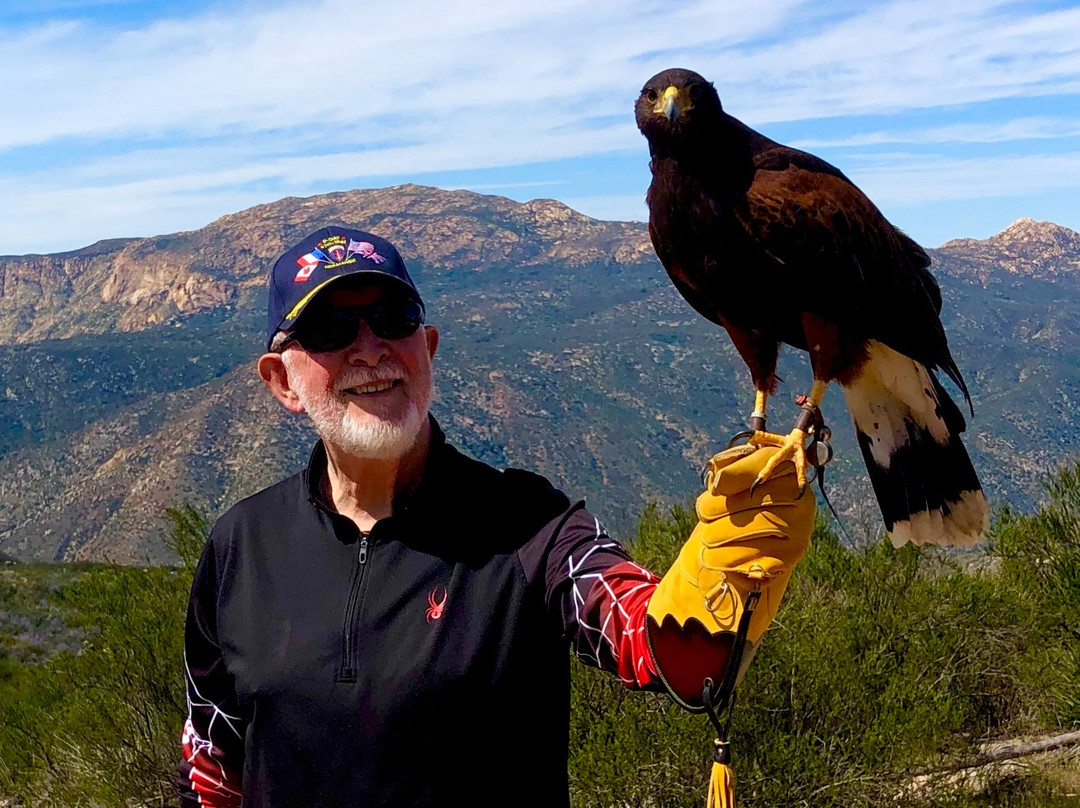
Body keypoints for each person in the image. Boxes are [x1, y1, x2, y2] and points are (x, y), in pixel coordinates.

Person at [177, 227, 813, 808]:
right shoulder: (240, 547)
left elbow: (654, 645)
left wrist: (726, 562)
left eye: (392, 318)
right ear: (282, 383)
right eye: (329, 330)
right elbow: (211, 766)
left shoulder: (529, 525)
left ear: (426, 347)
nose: (370, 349)